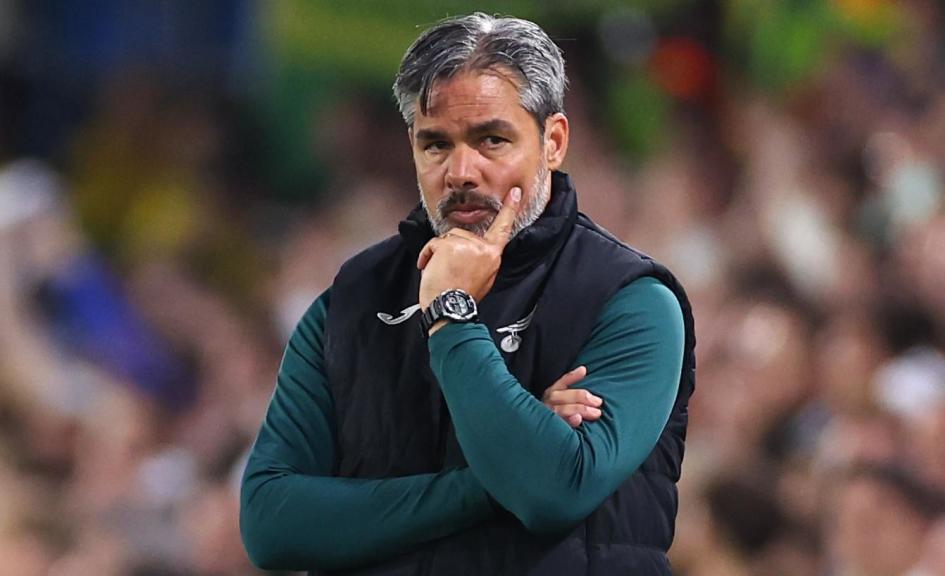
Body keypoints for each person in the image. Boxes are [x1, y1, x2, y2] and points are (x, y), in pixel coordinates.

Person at [240, 12, 695, 576]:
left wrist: (452, 316)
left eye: (492, 140)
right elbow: (271, 523)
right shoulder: (351, 301)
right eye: (436, 145)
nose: (461, 171)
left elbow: (552, 491)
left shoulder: (631, 300)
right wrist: (486, 480)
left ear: (553, 141)